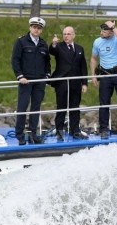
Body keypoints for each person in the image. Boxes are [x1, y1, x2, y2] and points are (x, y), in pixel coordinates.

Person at [11, 17, 51, 145]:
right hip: (26, 81)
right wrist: (20, 76)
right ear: (30, 27)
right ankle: (20, 135)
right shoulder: (21, 42)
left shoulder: (43, 44)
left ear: (41, 30)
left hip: (39, 81)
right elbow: (15, 60)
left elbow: (47, 62)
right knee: (22, 107)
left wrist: (47, 76)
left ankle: (33, 134)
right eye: (34, 27)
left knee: (36, 108)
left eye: (39, 28)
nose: (36, 30)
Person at [90, 20, 117, 139]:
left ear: (111, 31)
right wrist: (93, 75)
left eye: (105, 30)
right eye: (101, 30)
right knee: (104, 103)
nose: (101, 32)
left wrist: (114, 27)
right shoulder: (97, 42)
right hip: (105, 75)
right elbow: (93, 58)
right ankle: (104, 129)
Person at [49, 26, 88, 141]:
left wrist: (84, 83)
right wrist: (54, 44)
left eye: (68, 34)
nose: (66, 36)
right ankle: (59, 131)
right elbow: (52, 51)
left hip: (76, 83)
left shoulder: (80, 48)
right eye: (64, 34)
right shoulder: (59, 47)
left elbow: (83, 67)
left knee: (75, 108)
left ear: (73, 35)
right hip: (62, 82)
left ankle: (75, 131)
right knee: (61, 107)